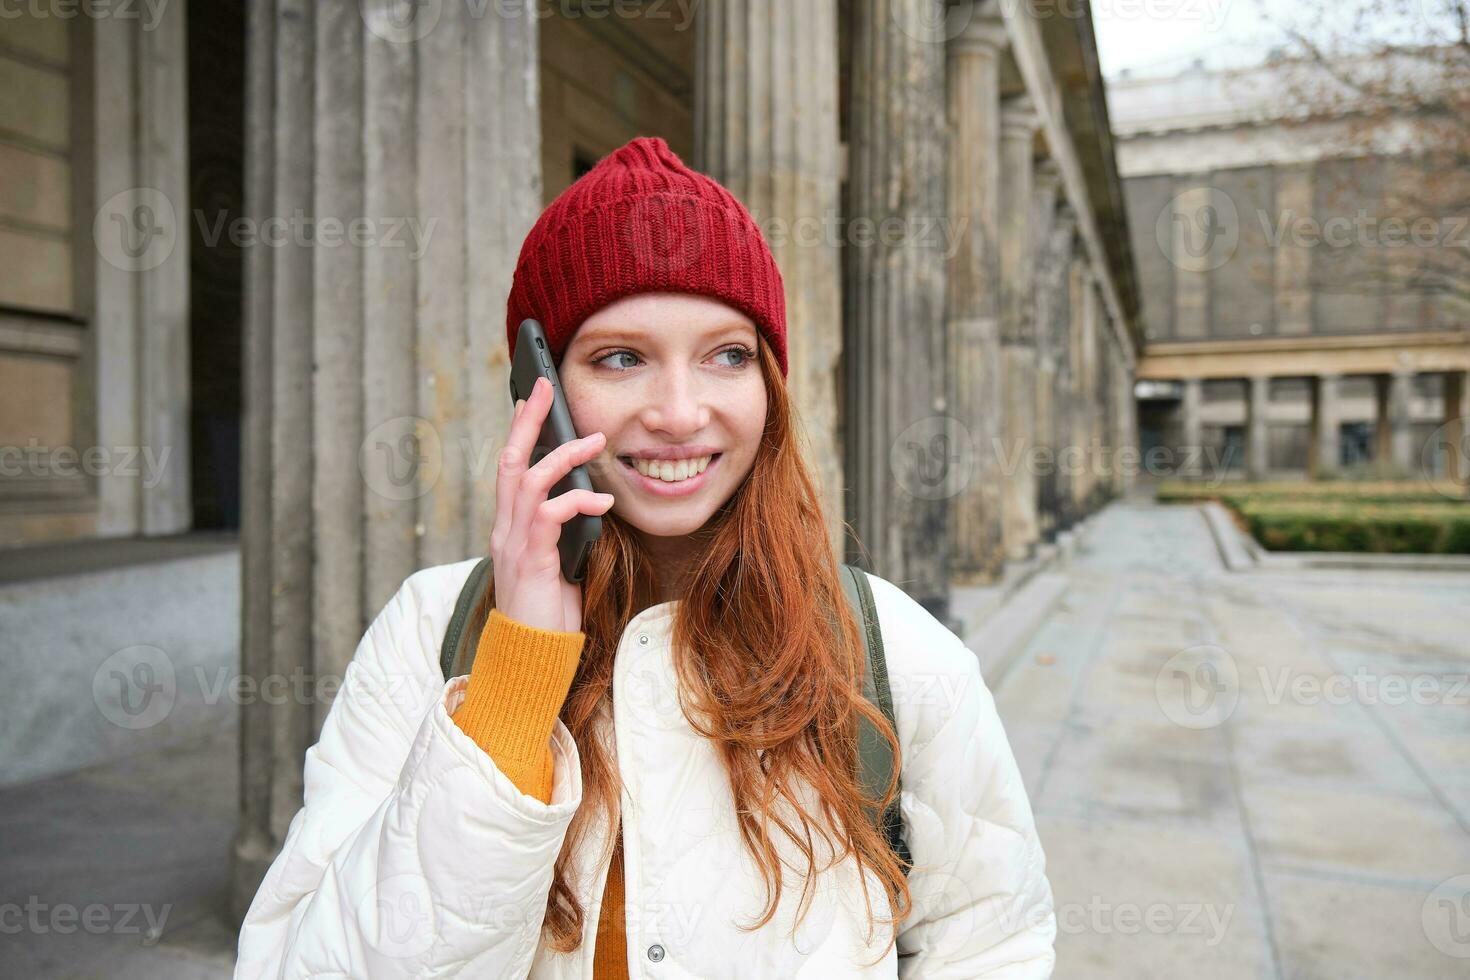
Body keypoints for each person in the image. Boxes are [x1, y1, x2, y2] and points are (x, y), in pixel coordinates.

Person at [234, 136, 1056, 979]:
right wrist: (515, 678)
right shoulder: (427, 630)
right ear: (538, 387)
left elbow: (991, 946)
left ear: (769, 384)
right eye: (621, 357)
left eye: (726, 355)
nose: (677, 412)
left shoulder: (892, 648)